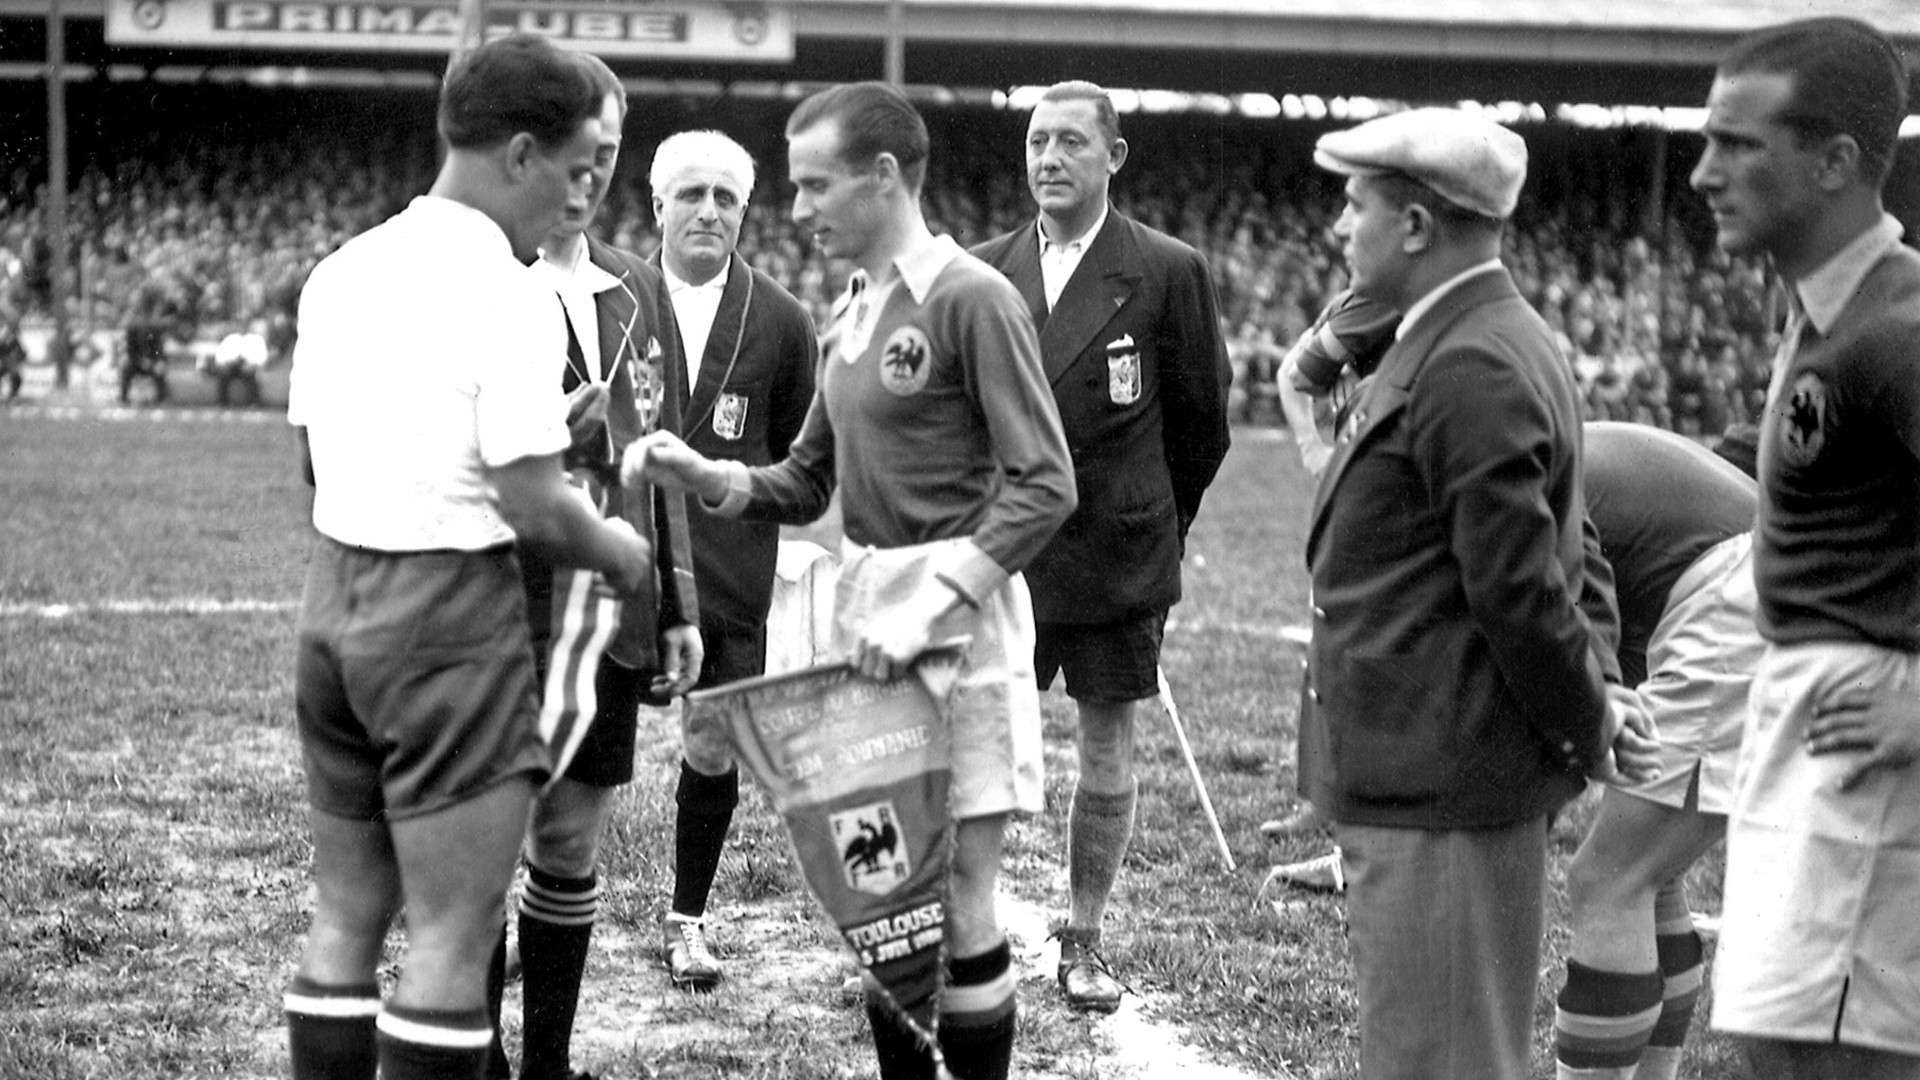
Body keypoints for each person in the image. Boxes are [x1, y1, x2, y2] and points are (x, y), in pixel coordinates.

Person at [625, 80, 1076, 1080]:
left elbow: (1046, 486)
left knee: (958, 895)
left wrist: (935, 599)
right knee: (887, 898)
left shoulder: (972, 298)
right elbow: (810, 477)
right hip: (866, 616)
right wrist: (715, 477)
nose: (796, 210)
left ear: (883, 179)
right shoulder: (853, 311)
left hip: (958, 624)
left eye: (814, 185)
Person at [282, 34, 652, 1080]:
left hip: (334, 602)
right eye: (582, 168)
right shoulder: (510, 289)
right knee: (452, 931)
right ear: (524, 154)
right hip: (446, 616)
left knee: (346, 916)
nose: (583, 195)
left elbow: (317, 463)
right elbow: (534, 505)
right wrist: (619, 550)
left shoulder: (342, 268)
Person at [1298, 107, 1651, 1080]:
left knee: (1441, 1061)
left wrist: (1586, 721)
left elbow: (1525, 589)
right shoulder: (1465, 334)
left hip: (1446, 775)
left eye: (1354, 203)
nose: (1338, 227)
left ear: (1416, 225)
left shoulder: (1468, 357)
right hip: (1427, 767)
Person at [1689, 17, 1920, 1080]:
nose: (1703, 173)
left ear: (1834, 163)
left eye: (1740, 145)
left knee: (1845, 1057)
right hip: (1807, 714)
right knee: (1786, 1044)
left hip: (1871, 725)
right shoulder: (1827, 310)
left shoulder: (1899, 327)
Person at [970, 80, 1231, 1014]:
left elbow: (1202, 424)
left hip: (1114, 554)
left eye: (1072, 142)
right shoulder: (982, 268)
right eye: (1038, 141)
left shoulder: (1165, 269)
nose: (1049, 158)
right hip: (1004, 556)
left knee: (1107, 749)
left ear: (1113, 157)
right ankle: (960, 929)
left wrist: (1155, 524)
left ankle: (1084, 935)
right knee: (977, 745)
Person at [485, 52, 703, 1080]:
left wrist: (677, 603)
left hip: (608, 608)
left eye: (608, 154)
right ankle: (471, 1054)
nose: (591, 173)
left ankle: (547, 1064)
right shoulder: (483, 281)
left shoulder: (637, 289)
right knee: (485, 846)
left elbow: (658, 462)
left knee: (570, 839)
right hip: (499, 600)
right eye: (579, 150)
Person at [645, 128, 819, 992]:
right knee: (569, 741)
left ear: (745, 213)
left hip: (724, 578)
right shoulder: (612, 298)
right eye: (692, 194)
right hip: (616, 566)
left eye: (726, 198)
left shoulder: (783, 320)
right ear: (658, 206)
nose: (709, 210)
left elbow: (798, 463)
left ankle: (687, 920)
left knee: (710, 748)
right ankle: (542, 904)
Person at [1551, 422, 1760, 1080]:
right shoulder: (1535, 442)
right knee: (1649, 873)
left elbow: (1548, 631)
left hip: (1735, 600)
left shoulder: (1496, 471)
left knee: (1610, 878)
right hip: (1750, 586)